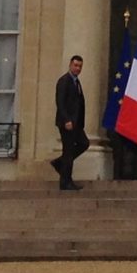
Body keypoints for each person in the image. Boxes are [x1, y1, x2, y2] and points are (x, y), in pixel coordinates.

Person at [52, 55, 87, 190]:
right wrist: (66, 119)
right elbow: (60, 102)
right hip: (67, 123)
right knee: (68, 151)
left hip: (76, 123)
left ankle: (59, 164)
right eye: (76, 65)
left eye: (80, 66)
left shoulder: (76, 82)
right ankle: (65, 182)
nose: (78, 68)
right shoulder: (64, 81)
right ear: (70, 65)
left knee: (84, 143)